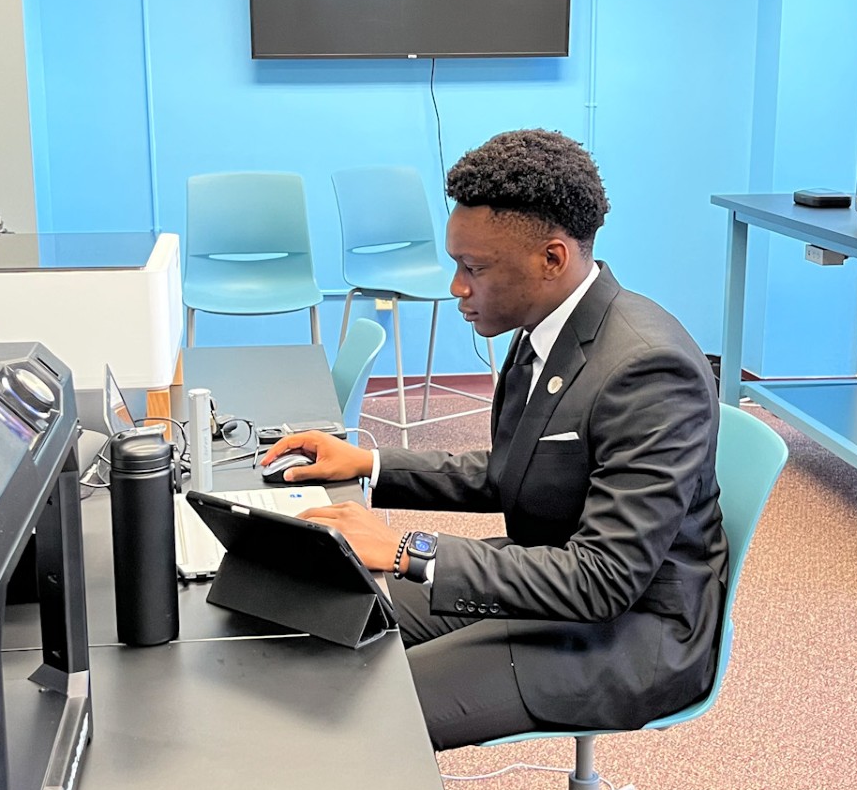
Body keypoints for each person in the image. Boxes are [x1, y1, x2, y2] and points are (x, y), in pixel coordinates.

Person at [262, 129, 727, 752]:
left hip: (631, 630)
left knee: (365, 715)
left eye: (473, 269)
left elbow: (603, 580)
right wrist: (371, 462)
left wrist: (407, 547)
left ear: (552, 259)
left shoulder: (648, 370)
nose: (457, 286)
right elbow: (514, 470)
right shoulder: (544, 327)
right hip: (541, 580)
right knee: (321, 609)